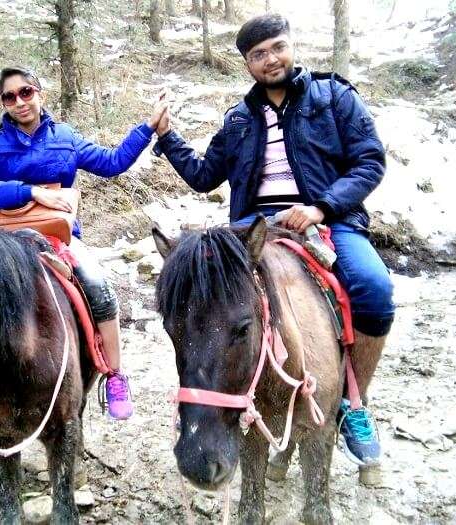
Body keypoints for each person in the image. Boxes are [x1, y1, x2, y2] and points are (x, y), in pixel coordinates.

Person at [152, 14, 394, 466]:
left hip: (327, 219)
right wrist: (166, 137)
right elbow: (206, 176)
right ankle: (240, 397)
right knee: (213, 310)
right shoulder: (240, 119)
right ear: (247, 63)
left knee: (375, 291)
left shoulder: (334, 98)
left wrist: (321, 205)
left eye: (277, 47)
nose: (270, 59)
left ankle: (351, 402)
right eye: (258, 54)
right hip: (252, 230)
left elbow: (369, 162)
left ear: (291, 46)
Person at [0, 66, 168, 421]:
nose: (19, 102)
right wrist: (33, 192)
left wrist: (149, 127)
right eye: (9, 97)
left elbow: (112, 163)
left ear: (40, 92)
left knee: (99, 288)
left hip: (58, 237)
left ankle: (114, 375)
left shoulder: (65, 136)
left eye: (26, 92)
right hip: (3, 244)